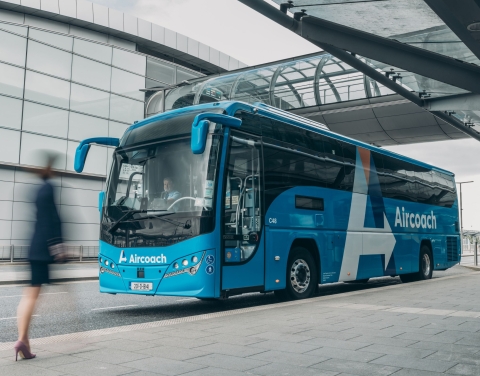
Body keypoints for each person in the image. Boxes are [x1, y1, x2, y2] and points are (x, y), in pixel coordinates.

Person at [14, 153, 65, 361]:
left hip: (34, 247)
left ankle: (24, 341)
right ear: (49, 169)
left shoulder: (37, 189)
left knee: (30, 294)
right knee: (32, 296)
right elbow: (51, 219)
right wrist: (57, 247)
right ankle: (22, 340)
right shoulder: (49, 188)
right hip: (43, 249)